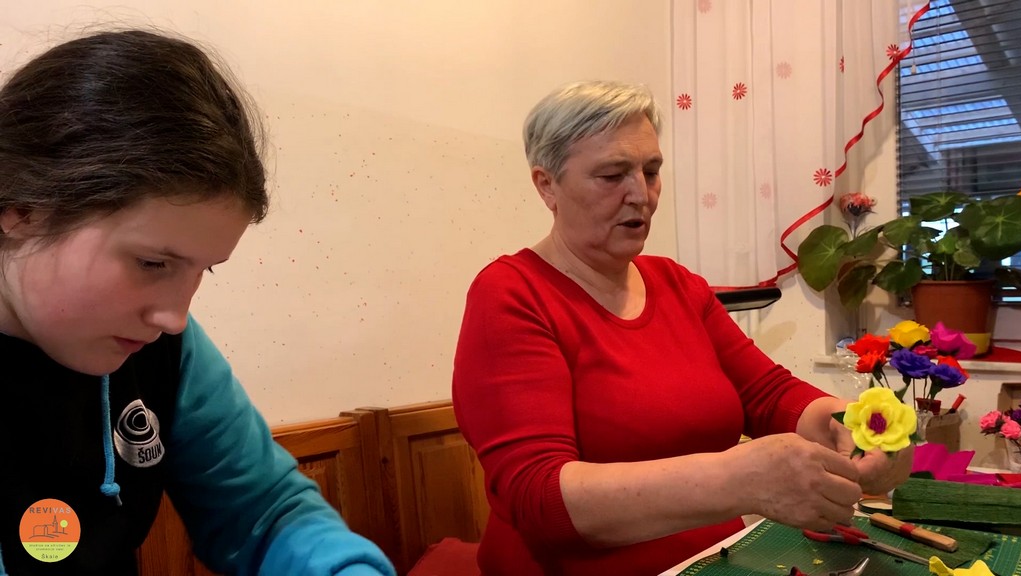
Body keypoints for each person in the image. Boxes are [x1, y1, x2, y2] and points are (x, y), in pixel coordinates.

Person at [451, 80, 913, 576]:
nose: (641, 195)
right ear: (547, 185)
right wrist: (739, 479)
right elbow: (539, 499)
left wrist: (853, 425)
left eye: (651, 171)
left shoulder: (676, 284)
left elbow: (769, 395)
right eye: (611, 175)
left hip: (713, 561)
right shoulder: (511, 295)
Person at [0, 30, 395, 576]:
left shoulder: (168, 350)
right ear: (22, 207)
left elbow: (264, 512)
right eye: (152, 263)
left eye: (203, 270)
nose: (173, 318)